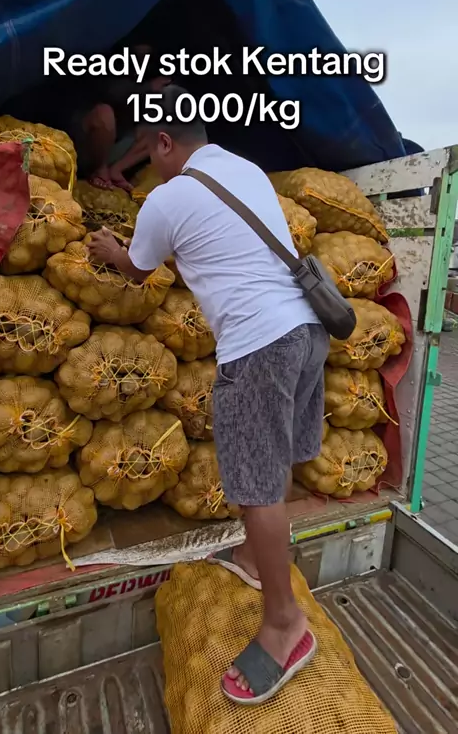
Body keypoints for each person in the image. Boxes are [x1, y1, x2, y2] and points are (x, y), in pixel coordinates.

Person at [88, 84, 329, 706]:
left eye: (148, 150)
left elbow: (139, 270)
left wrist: (112, 249)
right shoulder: (246, 170)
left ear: (166, 142)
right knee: (275, 459)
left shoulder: (166, 198)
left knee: (253, 485)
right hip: (307, 330)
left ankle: (285, 625)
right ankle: (253, 557)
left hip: (259, 344)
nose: (149, 162)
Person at [69, 44, 171, 191]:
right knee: (104, 114)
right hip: (87, 142)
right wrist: (148, 88)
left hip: (120, 142)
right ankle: (99, 170)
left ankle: (116, 170)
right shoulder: (107, 61)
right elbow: (112, 92)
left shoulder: (154, 67)